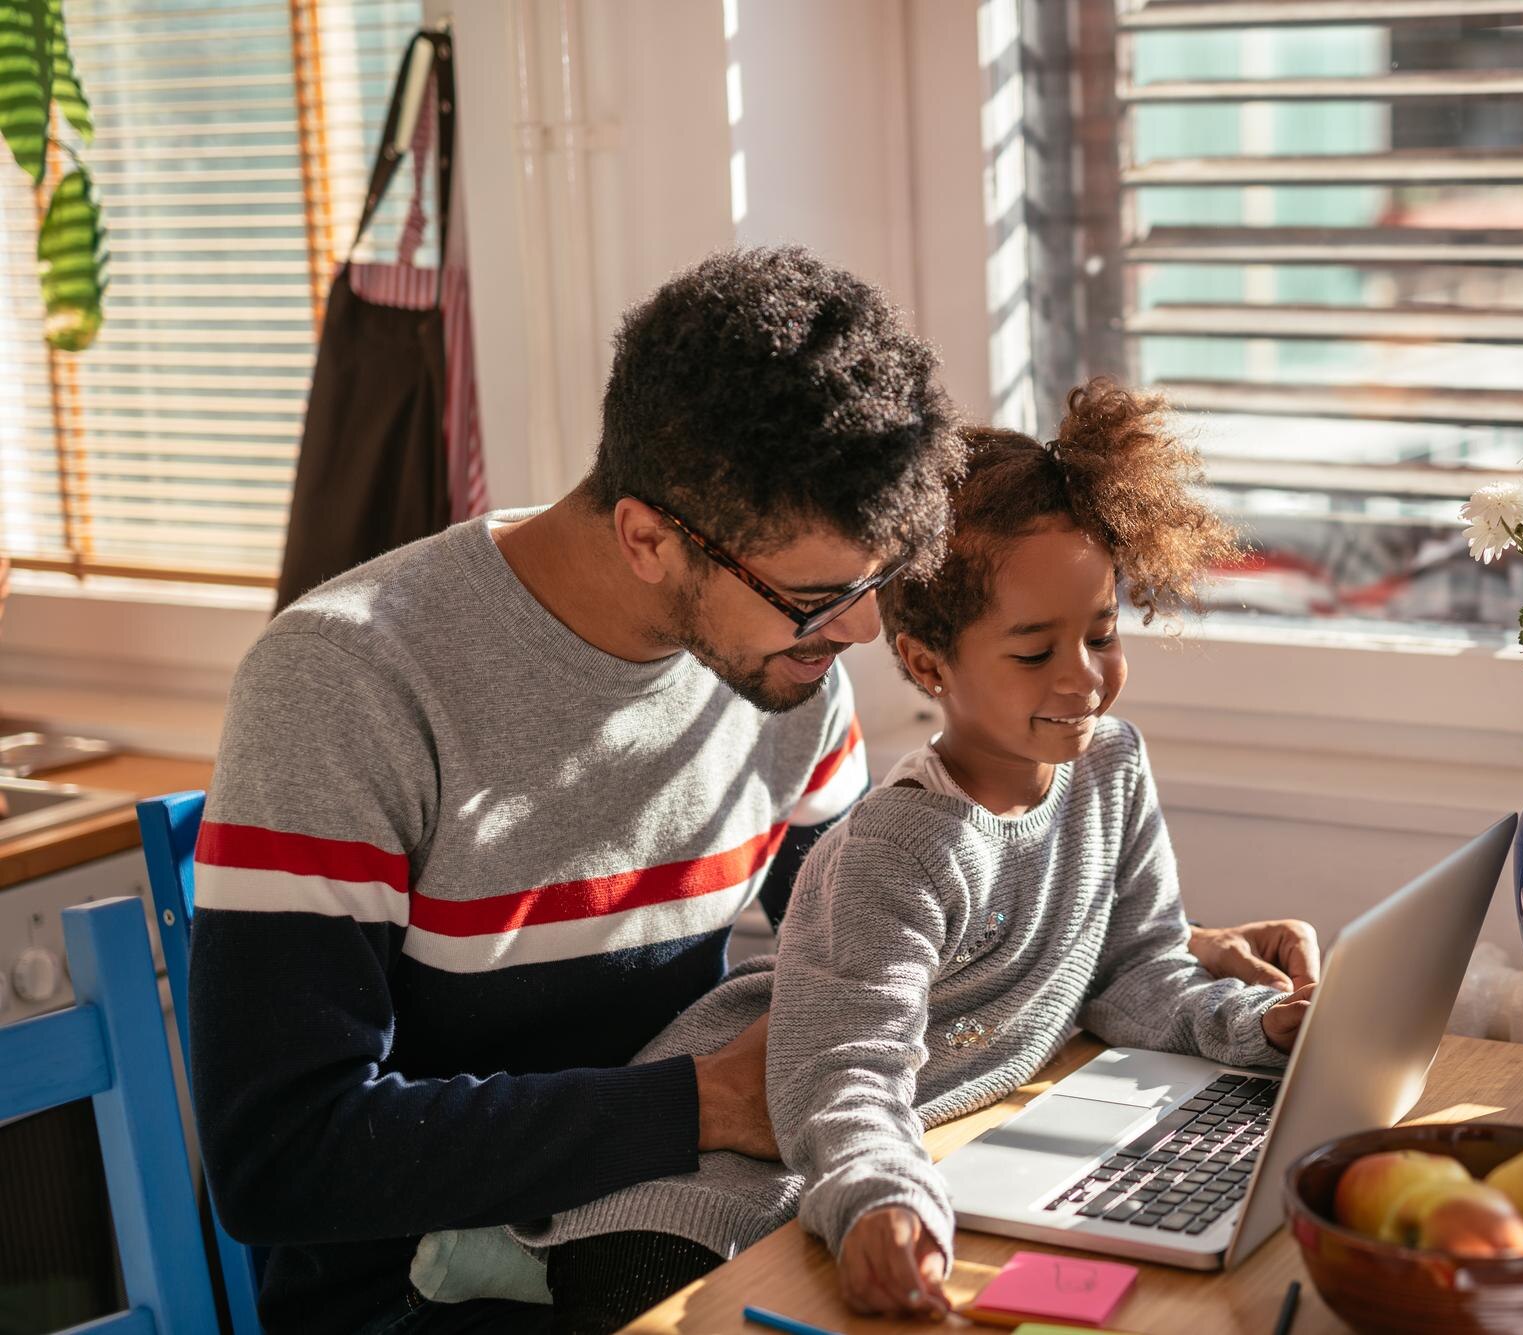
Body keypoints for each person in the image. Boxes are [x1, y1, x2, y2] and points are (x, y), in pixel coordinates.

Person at [189, 248, 1317, 1335]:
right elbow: (280, 1157)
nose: (865, 628)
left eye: (875, 579)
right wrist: (699, 1105)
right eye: (820, 594)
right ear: (646, 538)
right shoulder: (348, 680)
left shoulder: (782, 665)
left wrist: (1122, 949)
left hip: (720, 1211)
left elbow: (858, 951)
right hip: (441, 1294)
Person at [486, 378, 1316, 1332]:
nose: (1084, 677)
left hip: (896, 1147)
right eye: (1034, 650)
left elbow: (1138, 970)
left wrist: (1257, 1024)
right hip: (707, 1189)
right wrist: (883, 1196)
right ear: (927, 663)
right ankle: (506, 1255)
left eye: (1100, 632)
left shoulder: (1111, 768)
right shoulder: (898, 848)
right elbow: (846, 1069)